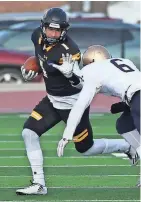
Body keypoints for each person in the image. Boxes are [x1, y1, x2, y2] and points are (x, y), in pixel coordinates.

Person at [16, 14, 138, 194]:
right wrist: (33, 72)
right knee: (29, 133)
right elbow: (41, 60)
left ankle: (126, 146)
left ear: (64, 30)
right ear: (43, 27)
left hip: (72, 102)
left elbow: (80, 83)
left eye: (58, 30)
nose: (53, 33)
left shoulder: (68, 51)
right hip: (52, 99)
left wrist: (69, 75)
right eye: (50, 28)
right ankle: (39, 184)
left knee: (85, 148)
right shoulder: (37, 36)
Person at [55, 45, 140, 186]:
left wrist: (67, 133)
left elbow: (81, 104)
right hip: (135, 97)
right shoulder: (124, 61)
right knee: (124, 125)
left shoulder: (91, 70)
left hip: (137, 98)